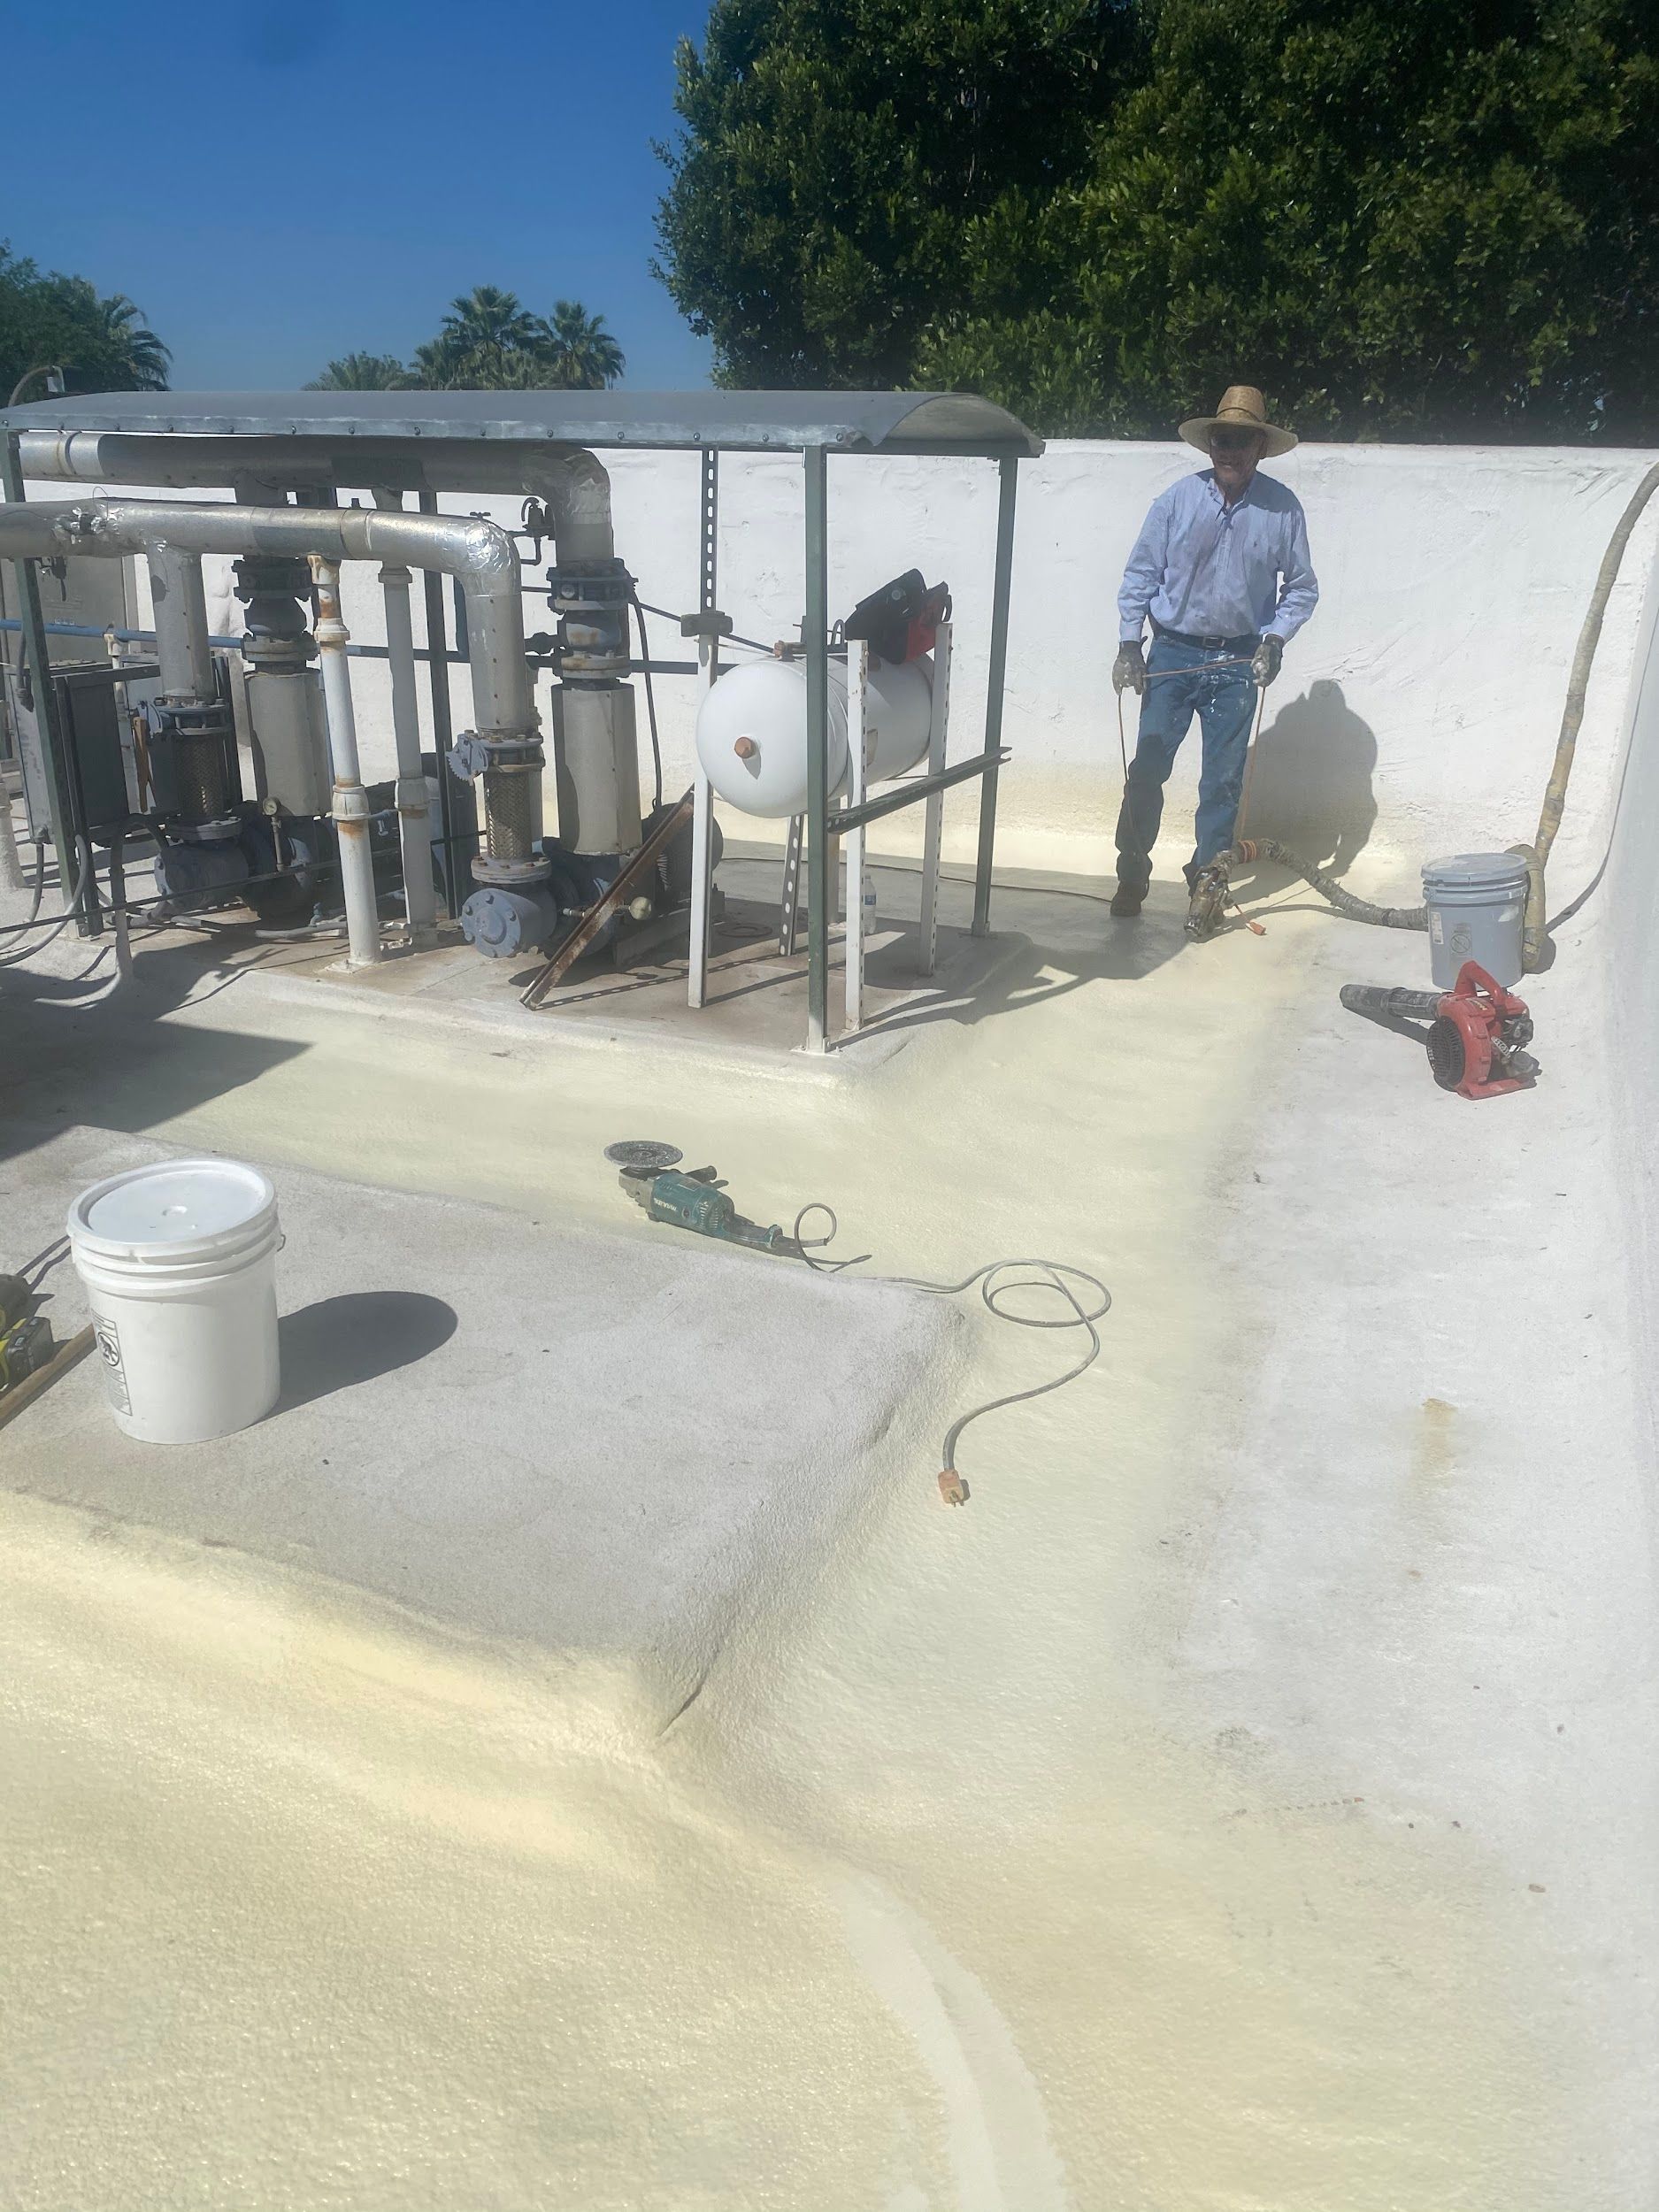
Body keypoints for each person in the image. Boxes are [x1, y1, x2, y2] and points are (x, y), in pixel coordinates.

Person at [1110, 386, 1318, 918]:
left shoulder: (1282, 509)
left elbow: (1301, 588)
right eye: (1222, 439)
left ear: (1259, 448)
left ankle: (1208, 880)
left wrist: (1275, 639)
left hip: (1238, 660)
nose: (1230, 450)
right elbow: (1140, 576)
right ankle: (1131, 871)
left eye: (1242, 440)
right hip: (1172, 655)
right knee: (1149, 767)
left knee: (1222, 779)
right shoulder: (1176, 501)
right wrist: (1130, 643)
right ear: (1209, 445)